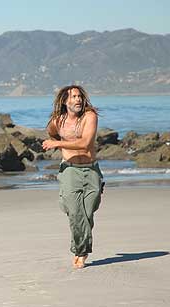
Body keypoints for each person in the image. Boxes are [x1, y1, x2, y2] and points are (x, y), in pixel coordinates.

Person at [42, 85, 104, 269]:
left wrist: (58, 143)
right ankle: (81, 251)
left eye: (79, 96)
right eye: (74, 97)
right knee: (76, 212)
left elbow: (85, 144)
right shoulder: (57, 122)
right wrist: (58, 142)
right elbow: (52, 133)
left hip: (91, 170)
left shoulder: (90, 116)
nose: (78, 100)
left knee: (87, 212)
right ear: (65, 101)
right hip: (69, 170)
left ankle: (79, 246)